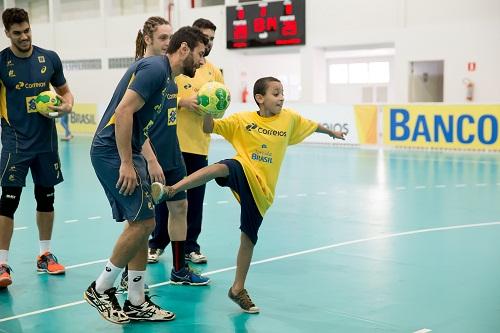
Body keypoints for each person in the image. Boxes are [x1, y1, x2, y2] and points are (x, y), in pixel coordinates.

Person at [151, 77, 346, 313]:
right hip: (243, 168)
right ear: (260, 98)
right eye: (276, 93)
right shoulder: (243, 120)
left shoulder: (290, 119)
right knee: (223, 166)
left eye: (282, 93)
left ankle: (237, 289)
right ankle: (172, 189)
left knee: (248, 238)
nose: (281, 97)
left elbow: (314, 125)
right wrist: (209, 109)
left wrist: (332, 133)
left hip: (262, 190)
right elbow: (208, 128)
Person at [84, 26, 208, 324]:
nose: (203, 62)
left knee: (143, 221)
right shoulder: (154, 67)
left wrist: (141, 157)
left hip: (132, 151)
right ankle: (100, 288)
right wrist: (127, 161)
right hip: (111, 151)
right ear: (184, 49)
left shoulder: (171, 81)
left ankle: (136, 300)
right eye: (201, 54)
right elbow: (124, 112)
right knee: (144, 222)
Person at [118, 16, 209, 293]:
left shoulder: (171, 77)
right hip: (148, 156)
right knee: (140, 221)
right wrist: (149, 158)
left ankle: (180, 268)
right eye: (162, 38)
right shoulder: (144, 71)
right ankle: (125, 275)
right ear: (148, 40)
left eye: (171, 37)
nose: (168, 43)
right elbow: (128, 117)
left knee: (180, 207)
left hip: (172, 154)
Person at [0, 8, 74, 288]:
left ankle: (44, 254)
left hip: (46, 143)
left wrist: (66, 106)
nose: (24, 37)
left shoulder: (49, 58)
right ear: (7, 33)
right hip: (15, 143)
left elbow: (66, 92)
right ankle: (2, 263)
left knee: (46, 199)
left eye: (27, 30)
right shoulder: (1, 63)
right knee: (8, 202)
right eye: (17, 33)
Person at [170, 18, 224, 265]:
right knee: (167, 198)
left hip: (199, 144)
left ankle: (191, 246)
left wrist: (211, 108)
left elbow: (221, 107)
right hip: (172, 143)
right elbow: (162, 98)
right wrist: (184, 102)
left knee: (195, 200)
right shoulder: (177, 66)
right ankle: (156, 244)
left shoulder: (213, 71)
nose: (208, 43)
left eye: (212, 38)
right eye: (204, 37)